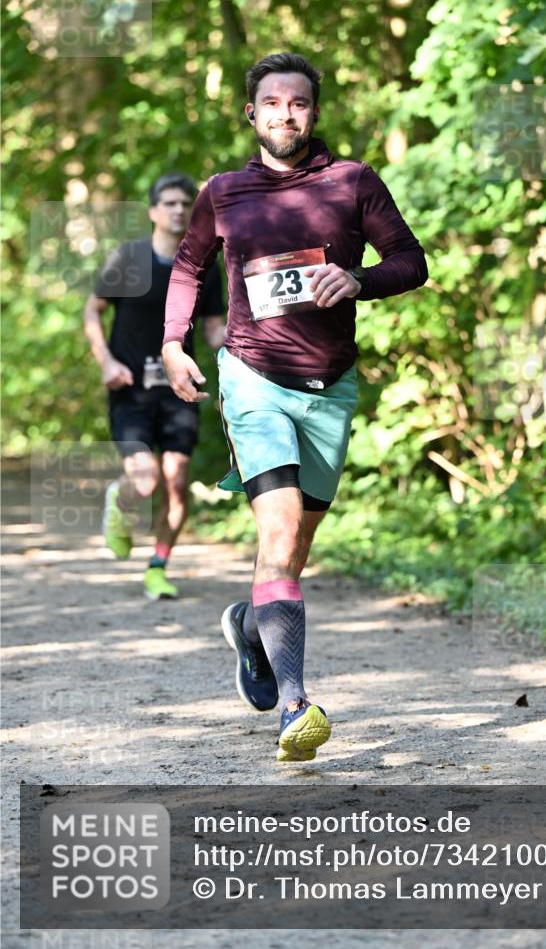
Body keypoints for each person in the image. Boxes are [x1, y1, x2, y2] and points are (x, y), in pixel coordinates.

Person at [162, 53, 427, 760]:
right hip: (251, 378)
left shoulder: (352, 182)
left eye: (299, 103)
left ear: (313, 112)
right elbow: (188, 267)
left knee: (294, 549)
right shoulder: (221, 192)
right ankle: (294, 707)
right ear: (250, 113)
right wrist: (172, 342)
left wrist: (358, 280)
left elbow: (410, 259)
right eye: (272, 102)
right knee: (276, 533)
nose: (285, 113)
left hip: (329, 386)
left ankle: (250, 627)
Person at [83, 173, 225, 600]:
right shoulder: (128, 258)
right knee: (144, 482)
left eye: (186, 203)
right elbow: (93, 312)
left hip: (179, 388)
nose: (179, 209)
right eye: (169, 203)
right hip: (130, 389)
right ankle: (120, 501)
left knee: (177, 479)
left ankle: (158, 566)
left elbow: (215, 330)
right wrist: (106, 362)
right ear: (152, 211)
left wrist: (251, 339)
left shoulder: (205, 266)